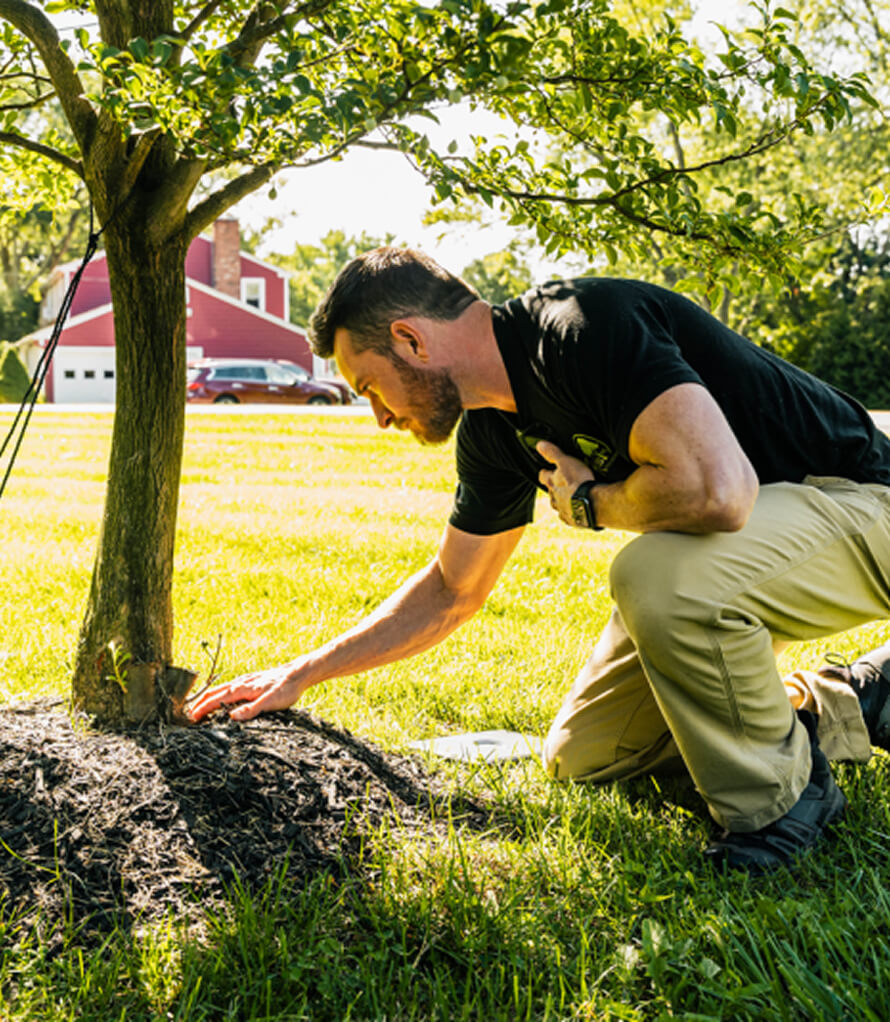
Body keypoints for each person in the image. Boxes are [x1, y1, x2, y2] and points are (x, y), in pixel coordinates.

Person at [190, 247, 890, 873]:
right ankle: (853, 701)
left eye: (370, 386)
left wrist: (593, 503)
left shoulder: (584, 328)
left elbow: (720, 493)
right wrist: (302, 674)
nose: (377, 416)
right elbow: (450, 591)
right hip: (760, 545)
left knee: (654, 576)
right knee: (588, 756)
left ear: (410, 339)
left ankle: (781, 805)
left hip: (863, 502)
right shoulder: (493, 432)